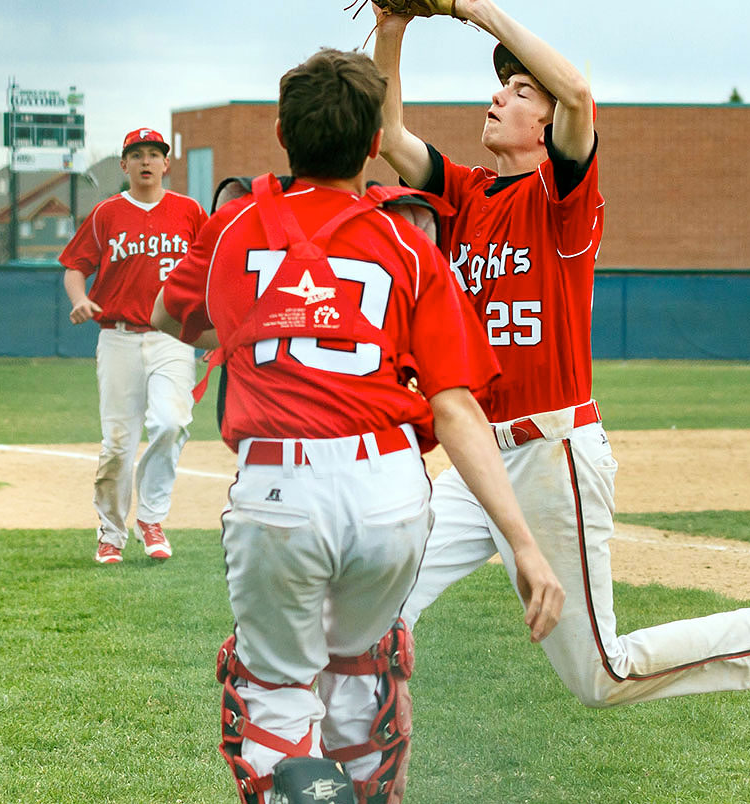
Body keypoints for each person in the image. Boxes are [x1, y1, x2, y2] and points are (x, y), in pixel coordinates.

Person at [371, 0, 750, 736]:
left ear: (549, 121)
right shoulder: (465, 193)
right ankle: (352, 758)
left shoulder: (564, 197)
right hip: (481, 460)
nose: (498, 96)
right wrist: (392, 30)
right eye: (502, 84)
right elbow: (386, 129)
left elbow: (581, 92)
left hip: (553, 456)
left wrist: (478, 10)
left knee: (599, 674)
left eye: (520, 90)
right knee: (380, 598)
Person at [150, 48, 563, 803]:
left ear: (280, 132)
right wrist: (526, 546)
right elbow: (454, 405)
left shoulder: (235, 225)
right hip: (389, 492)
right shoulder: (409, 241)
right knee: (361, 671)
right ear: (377, 144)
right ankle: (362, 783)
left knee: (273, 684)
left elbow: (171, 318)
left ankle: (302, 791)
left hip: (279, 493)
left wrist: (264, 312)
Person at [59, 128, 207, 565]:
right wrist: (81, 299)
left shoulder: (190, 211)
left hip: (172, 336)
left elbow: (210, 268)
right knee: (118, 444)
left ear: (166, 163)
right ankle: (111, 533)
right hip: (118, 337)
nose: (146, 161)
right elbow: (74, 267)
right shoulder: (107, 213)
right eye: (136, 155)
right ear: (123, 166)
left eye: (154, 154)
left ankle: (152, 518)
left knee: (170, 423)